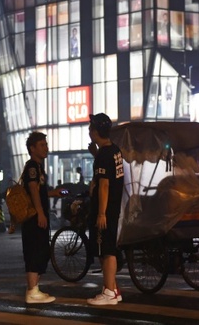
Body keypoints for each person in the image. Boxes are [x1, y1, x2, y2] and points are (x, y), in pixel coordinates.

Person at [21, 131, 66, 304]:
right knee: (35, 251)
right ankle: (32, 291)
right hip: (33, 217)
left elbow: (38, 191)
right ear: (32, 148)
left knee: (41, 250)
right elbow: (32, 190)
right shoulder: (32, 166)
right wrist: (40, 213)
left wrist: (54, 193)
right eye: (42, 145)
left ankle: (34, 289)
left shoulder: (38, 167)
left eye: (46, 144)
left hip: (37, 215)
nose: (46, 148)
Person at [86, 113, 124, 305]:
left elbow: (104, 185)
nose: (89, 130)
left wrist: (101, 213)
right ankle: (114, 289)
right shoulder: (114, 150)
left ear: (96, 131)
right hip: (113, 208)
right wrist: (96, 154)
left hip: (106, 210)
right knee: (107, 249)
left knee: (106, 251)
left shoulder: (105, 154)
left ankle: (109, 293)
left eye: (91, 127)